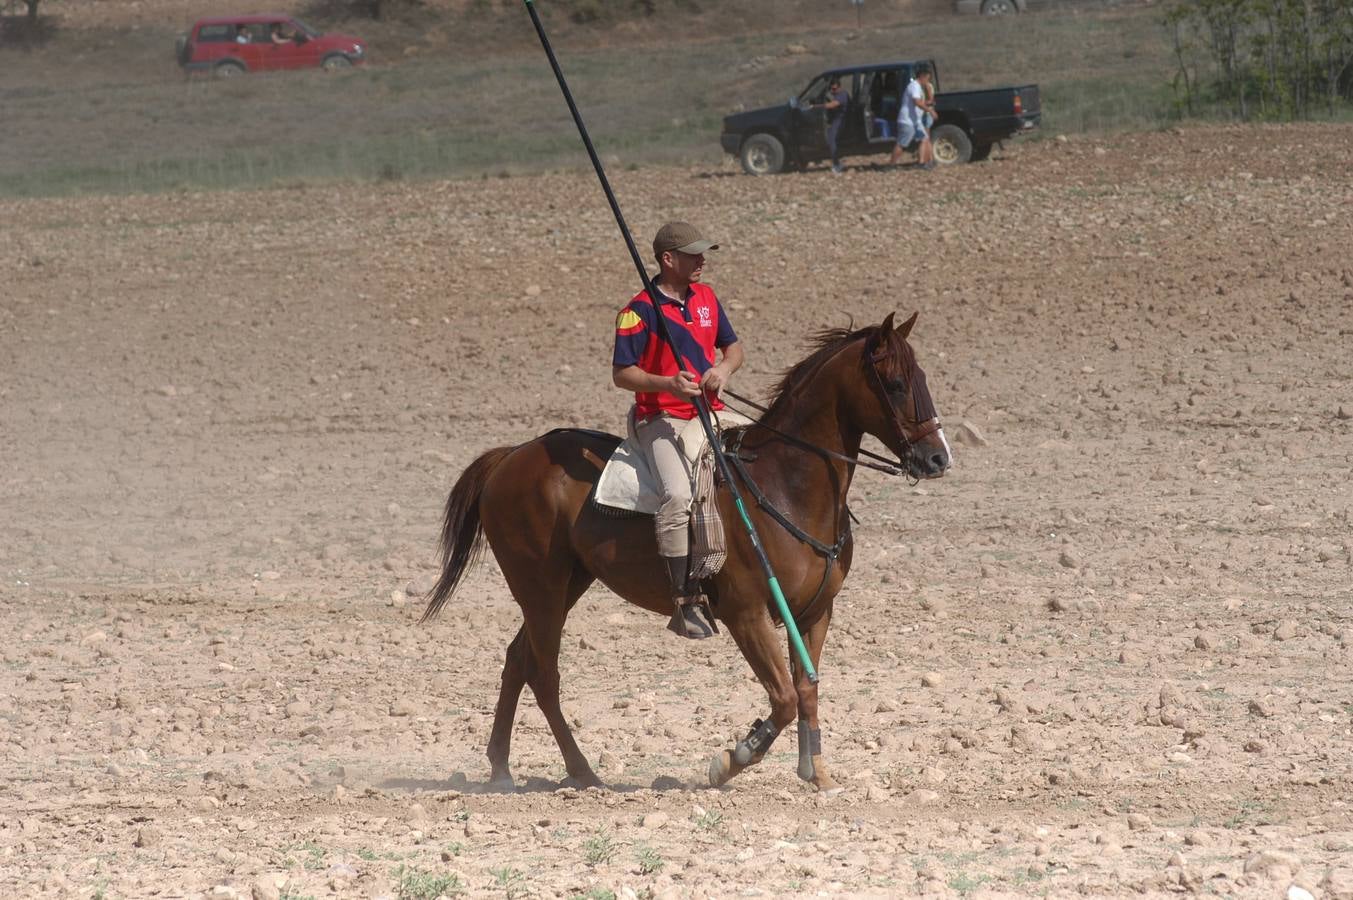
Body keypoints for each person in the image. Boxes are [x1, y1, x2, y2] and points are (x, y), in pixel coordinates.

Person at [613, 222, 744, 640]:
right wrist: (668, 384)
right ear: (668, 260)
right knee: (678, 495)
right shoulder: (639, 310)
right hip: (661, 418)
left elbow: (734, 348)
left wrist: (722, 370)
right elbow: (623, 374)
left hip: (711, 410)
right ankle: (685, 600)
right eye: (693, 254)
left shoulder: (706, 297)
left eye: (703, 253)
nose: (702, 260)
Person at [889, 64, 935, 170]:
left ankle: (922, 163)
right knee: (902, 144)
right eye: (927, 78)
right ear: (922, 76)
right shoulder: (914, 86)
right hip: (907, 121)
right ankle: (891, 165)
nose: (928, 81)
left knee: (924, 138)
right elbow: (917, 102)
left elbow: (921, 101)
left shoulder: (919, 87)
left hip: (915, 121)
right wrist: (930, 111)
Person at [814, 77, 850, 174]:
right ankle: (836, 161)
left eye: (834, 89)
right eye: (831, 89)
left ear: (839, 87)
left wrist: (816, 107)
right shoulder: (838, 94)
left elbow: (832, 105)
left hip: (841, 120)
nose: (833, 91)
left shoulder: (842, 95)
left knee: (831, 140)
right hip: (837, 119)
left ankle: (836, 164)